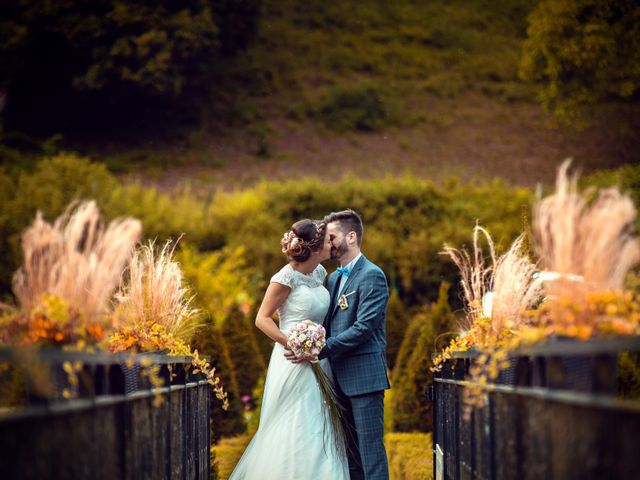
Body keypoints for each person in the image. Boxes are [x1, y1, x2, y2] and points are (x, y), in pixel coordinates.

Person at [229, 219, 349, 480]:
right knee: (295, 422)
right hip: (292, 358)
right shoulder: (284, 278)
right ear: (316, 248)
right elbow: (261, 318)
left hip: (318, 358)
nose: (333, 243)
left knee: (319, 423)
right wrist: (294, 344)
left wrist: (314, 345)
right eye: (329, 239)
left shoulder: (320, 274)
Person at [288, 209, 390, 480]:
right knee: (349, 455)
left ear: (351, 236)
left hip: (364, 376)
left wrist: (320, 348)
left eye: (331, 237)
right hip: (336, 376)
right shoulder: (333, 278)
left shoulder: (373, 275)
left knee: (370, 452)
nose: (327, 243)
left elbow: (363, 328)